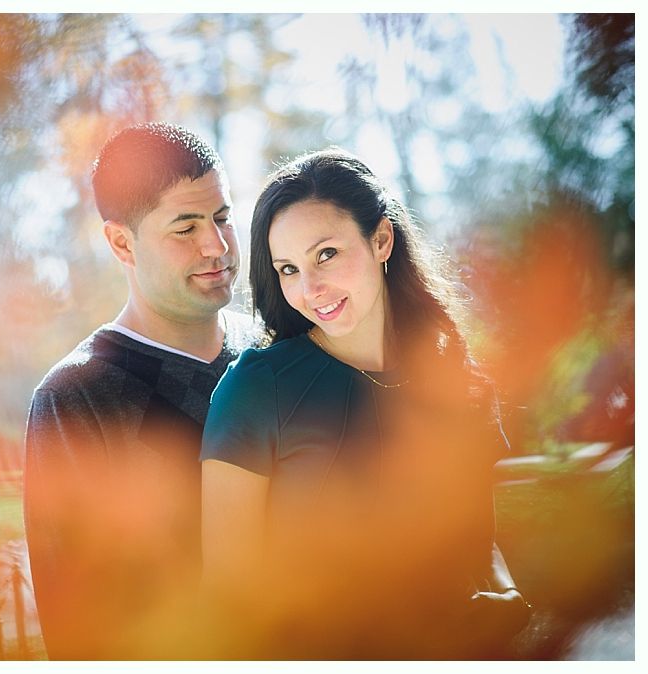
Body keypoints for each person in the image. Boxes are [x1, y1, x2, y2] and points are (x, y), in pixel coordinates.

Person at [200, 148, 532, 659]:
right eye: (287, 269)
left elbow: (478, 544)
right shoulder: (256, 387)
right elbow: (228, 594)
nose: (310, 289)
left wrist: (507, 597)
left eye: (325, 254)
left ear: (381, 239)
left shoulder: (458, 385)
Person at [24, 122, 259, 659]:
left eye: (222, 218)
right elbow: (77, 628)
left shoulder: (269, 352)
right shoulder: (74, 398)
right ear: (121, 243)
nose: (217, 246)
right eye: (186, 228)